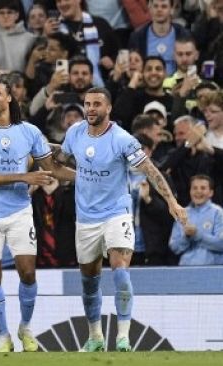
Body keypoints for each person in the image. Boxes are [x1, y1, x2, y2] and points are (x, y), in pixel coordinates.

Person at [55, 87, 187, 352]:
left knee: (120, 271)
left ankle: (123, 338)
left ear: (109, 108)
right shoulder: (75, 133)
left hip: (116, 213)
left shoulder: (122, 139)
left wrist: (172, 201)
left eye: (96, 104)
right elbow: (59, 159)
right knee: (89, 282)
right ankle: (95, 337)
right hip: (86, 218)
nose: (91, 109)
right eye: (87, 104)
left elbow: (150, 170)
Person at [0, 75, 75, 352]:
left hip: (19, 212)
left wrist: (90, 177)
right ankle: (3, 335)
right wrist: (25, 177)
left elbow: (52, 169)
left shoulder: (29, 132)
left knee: (27, 273)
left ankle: (25, 327)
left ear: (10, 97)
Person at [169, 175, 223, 265]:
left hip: (212, 270)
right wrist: (186, 237)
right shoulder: (182, 213)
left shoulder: (218, 213)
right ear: (190, 191)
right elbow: (174, 247)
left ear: (211, 192)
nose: (198, 191)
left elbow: (221, 244)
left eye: (203, 188)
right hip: (185, 269)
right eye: (194, 188)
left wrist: (197, 235)